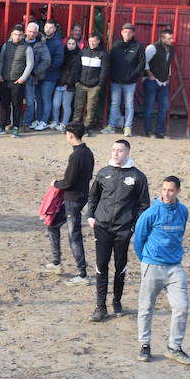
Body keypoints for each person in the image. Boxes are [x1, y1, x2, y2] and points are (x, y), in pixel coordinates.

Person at [86, 138, 150, 322]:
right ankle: (100, 306)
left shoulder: (138, 177)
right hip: (102, 227)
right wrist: (91, 216)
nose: (115, 153)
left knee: (120, 266)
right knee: (101, 265)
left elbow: (144, 205)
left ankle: (117, 301)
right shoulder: (103, 172)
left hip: (123, 229)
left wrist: (133, 225)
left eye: (120, 150)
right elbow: (93, 197)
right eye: (114, 150)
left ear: (127, 153)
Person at [134, 176, 190, 366]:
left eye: (171, 190)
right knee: (146, 307)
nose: (166, 194)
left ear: (178, 191)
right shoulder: (150, 213)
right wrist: (146, 260)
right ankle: (144, 345)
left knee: (182, 306)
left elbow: (180, 233)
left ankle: (174, 347)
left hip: (175, 267)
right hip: (152, 265)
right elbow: (139, 239)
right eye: (164, 190)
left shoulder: (183, 211)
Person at [50, 123, 94, 283]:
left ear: (70, 135)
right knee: (53, 224)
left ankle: (82, 274)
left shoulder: (77, 155)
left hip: (72, 199)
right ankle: (56, 262)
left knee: (74, 235)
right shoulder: (87, 152)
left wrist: (56, 183)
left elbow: (68, 181)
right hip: (79, 197)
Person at [105, 22, 144, 136]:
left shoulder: (138, 46)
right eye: (125, 31)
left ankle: (127, 127)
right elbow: (109, 61)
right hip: (116, 81)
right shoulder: (116, 45)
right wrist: (112, 74)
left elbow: (141, 64)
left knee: (129, 105)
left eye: (129, 32)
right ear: (121, 33)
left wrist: (133, 75)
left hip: (130, 82)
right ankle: (111, 125)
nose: (127, 34)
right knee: (115, 104)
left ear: (133, 34)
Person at [0, 24, 29, 135]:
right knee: (3, 104)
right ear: (11, 35)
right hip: (4, 79)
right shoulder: (5, 45)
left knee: (17, 105)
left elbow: (30, 64)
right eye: (15, 34)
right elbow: (1, 61)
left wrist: (23, 78)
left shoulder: (27, 48)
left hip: (17, 81)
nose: (17, 37)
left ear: (23, 36)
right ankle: (2, 126)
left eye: (19, 35)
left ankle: (16, 128)